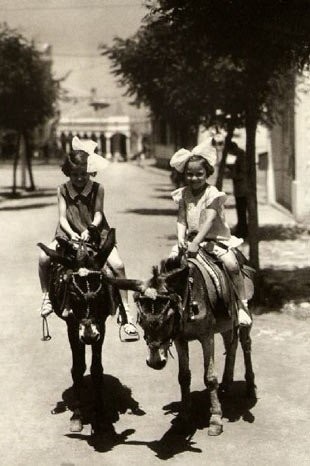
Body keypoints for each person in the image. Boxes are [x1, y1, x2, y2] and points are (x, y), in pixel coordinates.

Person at [38, 136, 139, 340]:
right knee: (43, 258)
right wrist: (72, 233)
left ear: (90, 171)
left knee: (118, 265)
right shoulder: (62, 189)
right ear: (69, 172)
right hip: (67, 233)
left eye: (83, 174)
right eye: (74, 174)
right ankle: (46, 296)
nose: (79, 178)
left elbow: (99, 213)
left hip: (95, 233)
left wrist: (91, 227)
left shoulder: (97, 188)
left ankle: (126, 312)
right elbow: (62, 216)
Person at [169, 141, 252, 327]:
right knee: (171, 263)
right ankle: (173, 305)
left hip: (215, 240)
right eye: (190, 174)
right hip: (191, 240)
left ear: (207, 174)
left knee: (231, 265)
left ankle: (241, 305)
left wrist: (196, 242)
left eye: (199, 174)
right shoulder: (183, 194)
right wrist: (181, 238)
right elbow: (181, 218)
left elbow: (209, 220)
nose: (194, 178)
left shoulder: (212, 193)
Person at [226, 141, 248, 238]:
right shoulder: (239, 154)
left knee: (242, 209)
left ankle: (243, 230)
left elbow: (241, 172)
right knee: (240, 210)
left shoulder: (240, 155)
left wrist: (232, 172)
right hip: (240, 187)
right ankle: (241, 228)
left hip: (242, 187)